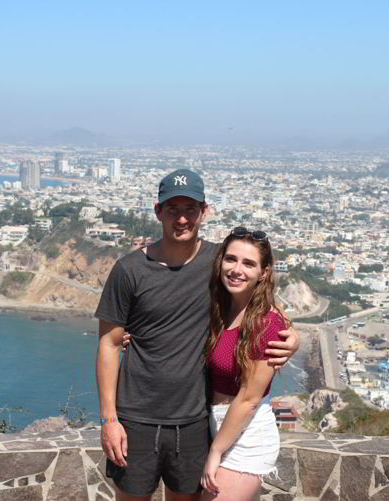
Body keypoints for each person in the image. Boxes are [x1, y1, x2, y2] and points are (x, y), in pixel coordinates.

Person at [95, 169, 299, 501]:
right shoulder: (129, 270)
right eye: (172, 209)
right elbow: (108, 344)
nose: (181, 219)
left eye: (190, 209)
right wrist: (108, 419)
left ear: (204, 212)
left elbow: (261, 301)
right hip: (136, 419)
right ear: (158, 211)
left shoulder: (219, 263)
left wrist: (294, 335)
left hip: (193, 421)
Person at [200, 227, 287, 500]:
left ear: (264, 273)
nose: (237, 269)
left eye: (248, 263)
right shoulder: (221, 307)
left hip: (246, 435)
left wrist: (216, 451)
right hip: (215, 425)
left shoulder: (267, 322)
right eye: (231, 259)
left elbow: (249, 398)